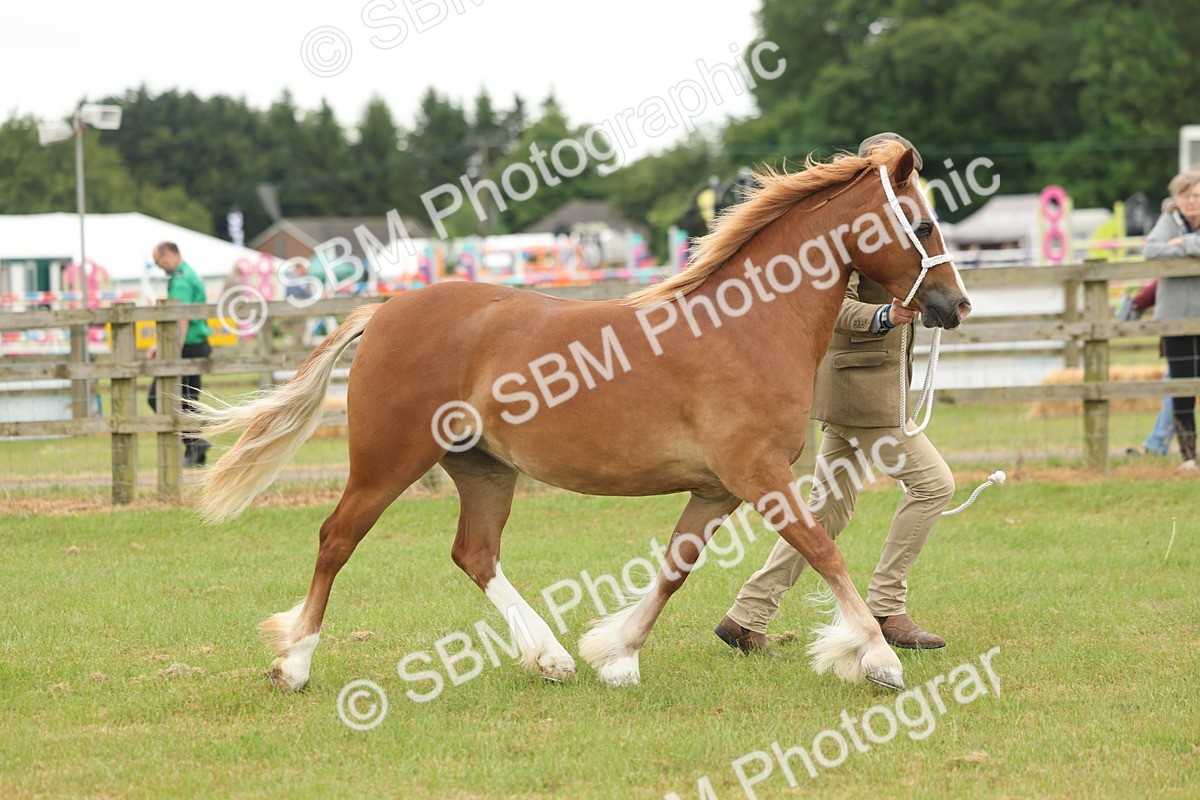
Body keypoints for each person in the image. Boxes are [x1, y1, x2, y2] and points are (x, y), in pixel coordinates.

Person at [715, 132, 955, 654]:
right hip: (861, 394)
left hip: (868, 390)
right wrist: (886, 315)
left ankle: (747, 615)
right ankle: (888, 606)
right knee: (934, 485)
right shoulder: (851, 229)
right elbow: (838, 308)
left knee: (827, 512)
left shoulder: (899, 219)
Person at [1143, 168, 1200, 470]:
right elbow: (1151, 251)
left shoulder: (1176, 232)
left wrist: (1182, 244)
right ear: (1176, 198)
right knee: (1181, 389)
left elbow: (1169, 248)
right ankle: (1188, 456)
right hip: (1175, 320)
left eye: (1196, 195)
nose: (1191, 201)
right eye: (1185, 195)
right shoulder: (1168, 220)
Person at [149, 241, 212, 467]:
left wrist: (173, 352)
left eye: (160, 261)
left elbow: (181, 317)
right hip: (195, 344)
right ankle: (196, 449)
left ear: (168, 254)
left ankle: (196, 442)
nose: (160, 267)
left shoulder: (183, 279)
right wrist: (160, 345)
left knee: (160, 397)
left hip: (188, 346)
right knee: (188, 399)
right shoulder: (187, 274)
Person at [1125, 279, 1175, 456]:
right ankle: (1157, 443)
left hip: (1183, 333)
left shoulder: (1179, 256)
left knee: (1176, 388)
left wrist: (1137, 302)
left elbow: (1161, 281)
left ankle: (1157, 444)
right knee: (1176, 388)